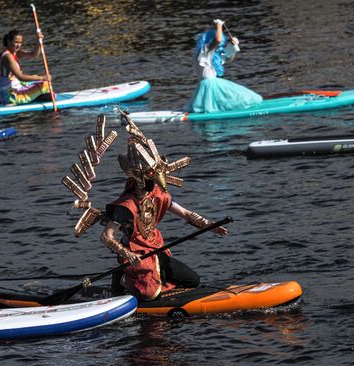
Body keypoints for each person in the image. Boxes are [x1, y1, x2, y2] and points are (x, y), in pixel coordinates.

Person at [99, 115, 228, 301]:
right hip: (135, 255)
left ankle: (154, 278)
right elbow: (106, 236)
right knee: (150, 294)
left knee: (193, 280)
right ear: (139, 177)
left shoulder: (158, 194)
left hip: (156, 249)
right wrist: (125, 253)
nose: (156, 182)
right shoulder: (126, 206)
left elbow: (184, 213)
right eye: (151, 178)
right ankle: (123, 279)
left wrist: (209, 225)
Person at [184, 19, 262, 113]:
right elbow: (218, 40)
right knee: (247, 98)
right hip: (209, 86)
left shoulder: (212, 54)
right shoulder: (204, 52)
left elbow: (229, 57)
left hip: (210, 85)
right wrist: (219, 25)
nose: (220, 46)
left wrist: (234, 45)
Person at [0, 29, 52, 106]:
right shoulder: (7, 56)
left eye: (20, 43)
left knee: (40, 82)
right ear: (8, 41)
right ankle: (5, 99)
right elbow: (20, 77)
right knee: (44, 83)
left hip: (15, 86)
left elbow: (34, 55)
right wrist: (42, 77)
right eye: (16, 42)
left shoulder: (15, 52)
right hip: (9, 92)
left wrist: (39, 42)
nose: (18, 45)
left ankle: (38, 97)